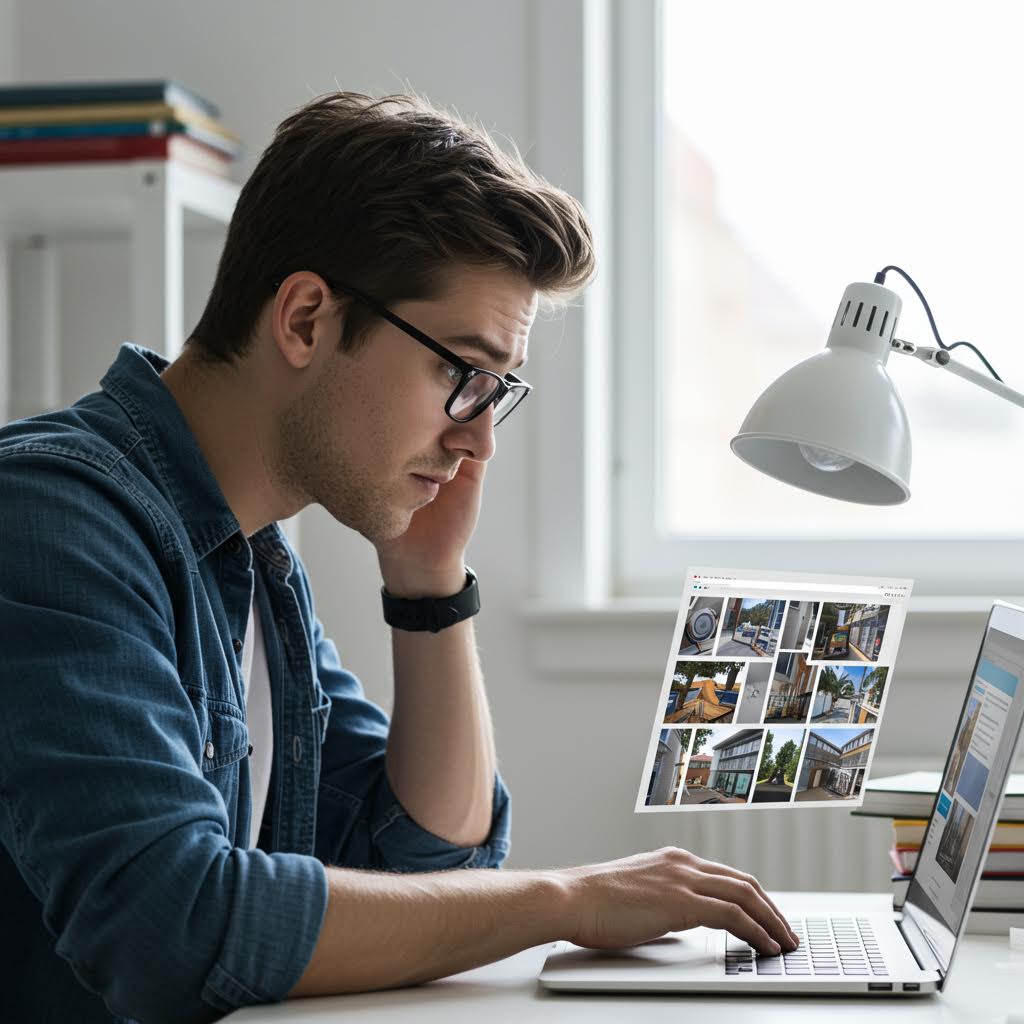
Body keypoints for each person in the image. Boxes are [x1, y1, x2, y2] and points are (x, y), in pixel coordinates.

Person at [0, 92, 798, 1024]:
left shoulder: (250, 559)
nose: (480, 441)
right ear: (304, 318)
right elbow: (168, 924)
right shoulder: (51, 519)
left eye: (501, 392)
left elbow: (426, 858)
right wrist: (566, 901)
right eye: (464, 374)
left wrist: (429, 588)